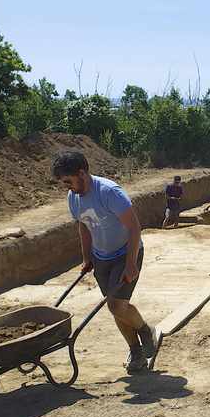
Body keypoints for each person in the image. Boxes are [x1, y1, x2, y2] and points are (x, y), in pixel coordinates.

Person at [52, 150, 156, 374]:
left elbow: (134, 227)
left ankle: (146, 330)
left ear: (82, 173)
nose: (67, 187)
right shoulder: (74, 197)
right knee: (116, 308)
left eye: (69, 181)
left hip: (125, 252)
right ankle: (135, 351)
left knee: (115, 304)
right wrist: (87, 257)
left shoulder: (109, 192)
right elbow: (84, 225)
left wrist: (130, 264)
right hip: (101, 256)